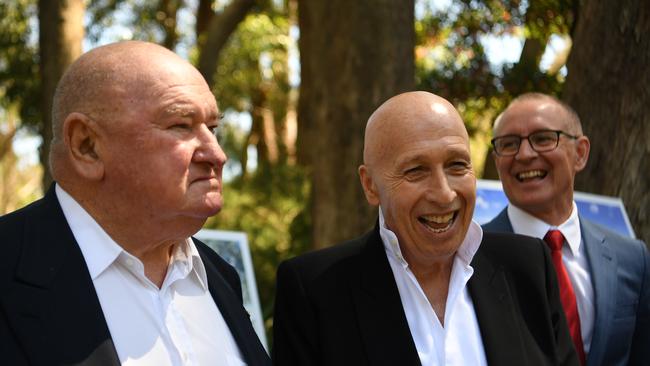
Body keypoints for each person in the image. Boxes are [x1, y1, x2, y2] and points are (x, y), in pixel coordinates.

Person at [0, 41, 270, 366]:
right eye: (181, 126)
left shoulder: (219, 274)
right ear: (87, 146)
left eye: (213, 128)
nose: (217, 154)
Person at [272, 91, 579, 366]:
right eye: (416, 170)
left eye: (457, 165)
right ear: (370, 186)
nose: (444, 193)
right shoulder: (316, 292)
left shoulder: (527, 267)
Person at [483, 92, 650, 366]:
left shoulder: (633, 259)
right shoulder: (469, 258)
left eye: (543, 138)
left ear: (580, 153)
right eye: (509, 144)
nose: (524, 154)